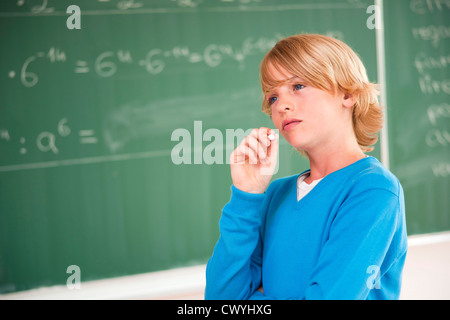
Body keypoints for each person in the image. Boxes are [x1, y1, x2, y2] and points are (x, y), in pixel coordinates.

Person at [205, 34, 407, 300]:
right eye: (273, 97)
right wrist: (247, 195)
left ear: (348, 94)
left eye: (298, 86)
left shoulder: (373, 190)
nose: (282, 106)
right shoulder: (275, 194)